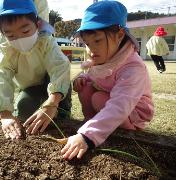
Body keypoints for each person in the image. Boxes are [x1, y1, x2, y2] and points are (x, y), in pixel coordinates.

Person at [61, 1, 154, 160]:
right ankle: (91, 123)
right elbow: (95, 74)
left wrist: (87, 137)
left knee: (98, 98)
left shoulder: (132, 67)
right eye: (87, 43)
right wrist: (83, 78)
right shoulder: (105, 55)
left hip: (133, 112)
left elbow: (120, 104)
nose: (91, 50)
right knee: (86, 88)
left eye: (97, 41)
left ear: (119, 35)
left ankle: (123, 132)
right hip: (109, 102)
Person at [0, 0, 71, 140]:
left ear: (38, 24)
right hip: (30, 88)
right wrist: (5, 115)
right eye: (10, 35)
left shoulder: (46, 42)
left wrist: (52, 102)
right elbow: (0, 78)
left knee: (58, 110)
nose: (19, 39)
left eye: (25, 31)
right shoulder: (7, 51)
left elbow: (60, 67)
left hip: (54, 85)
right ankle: (44, 108)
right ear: (3, 35)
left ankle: (62, 112)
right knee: (24, 109)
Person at [0, 0, 50, 68]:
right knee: (0, 73)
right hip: (5, 41)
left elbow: (42, 11)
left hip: (34, 42)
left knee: (41, 78)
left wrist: (42, 38)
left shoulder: (47, 45)